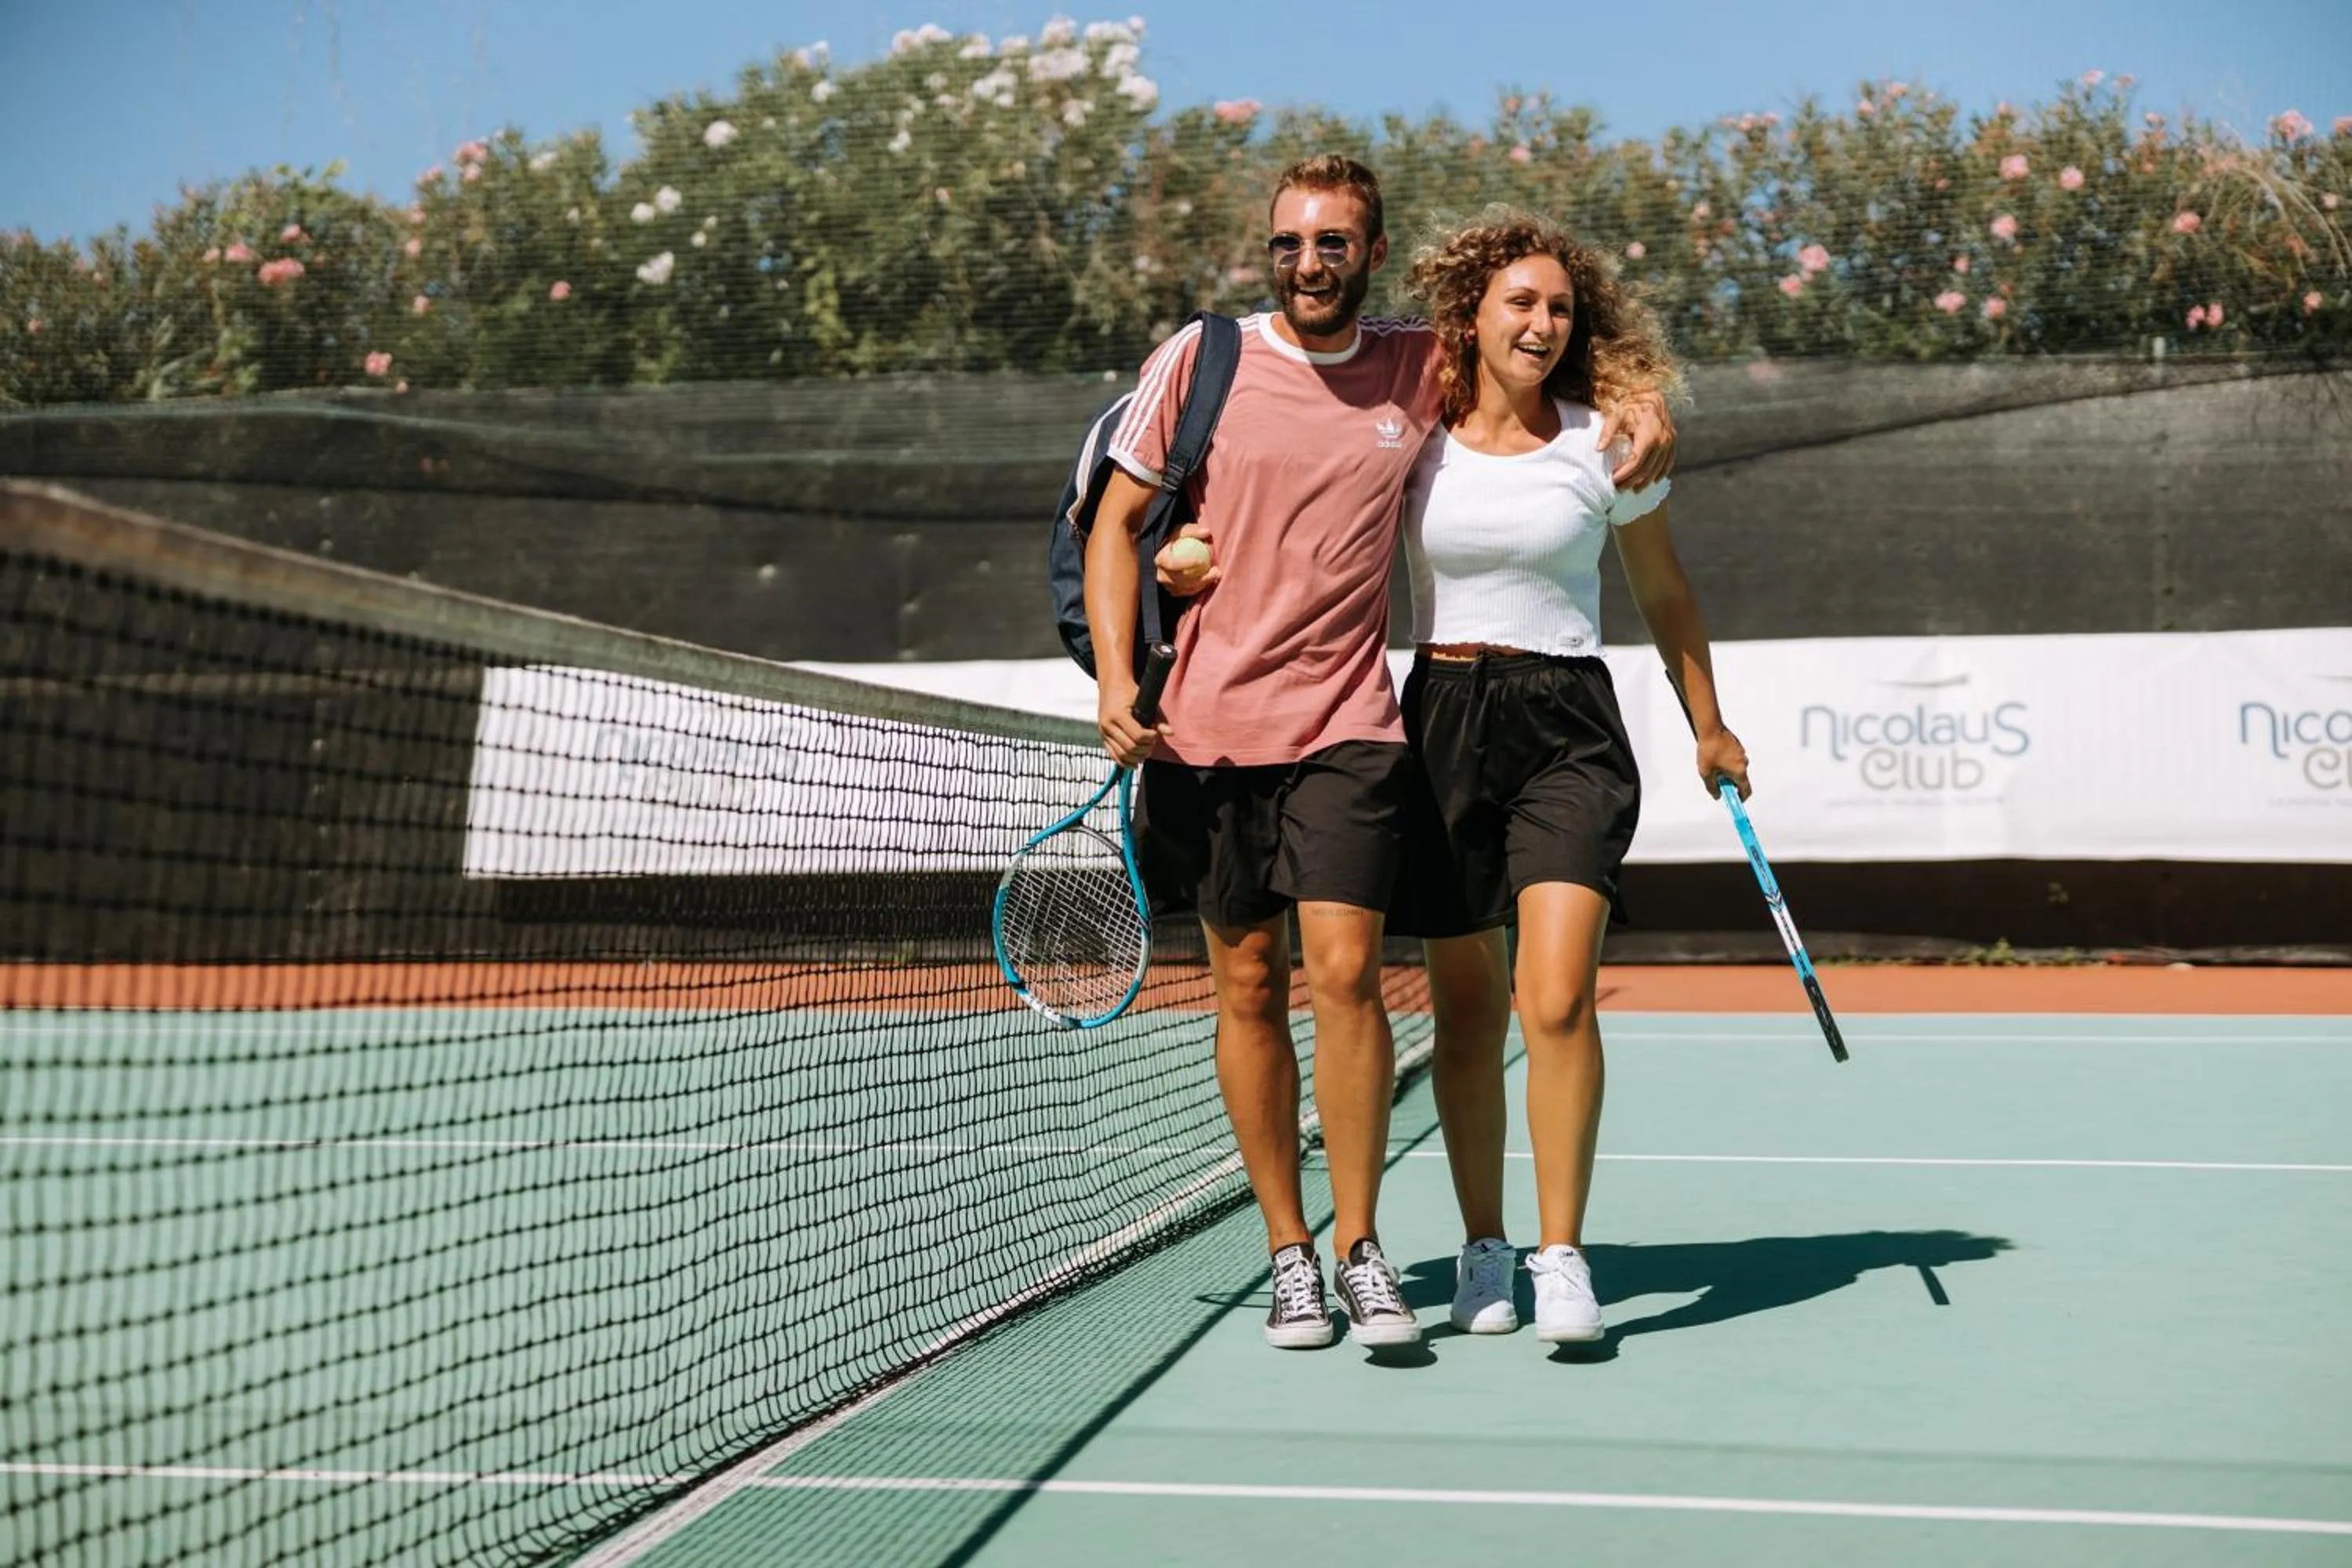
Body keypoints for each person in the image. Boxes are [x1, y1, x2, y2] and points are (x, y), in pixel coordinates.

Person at [1083, 160, 1679, 1350]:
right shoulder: (1199, 364)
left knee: (1348, 975)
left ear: (1371, 251)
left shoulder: (1419, 362)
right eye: (1292, 242)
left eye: (1336, 243)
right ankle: (1288, 1254)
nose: (1311, 262)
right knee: (1249, 990)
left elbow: (1538, 343)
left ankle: (1362, 1250)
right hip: (1203, 732)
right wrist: (1118, 667)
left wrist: (1642, 394)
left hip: (1355, 721)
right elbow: (1117, 523)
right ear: (1271, 251)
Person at [1391, 209, 1746, 1345]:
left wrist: (1712, 724)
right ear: (1471, 316)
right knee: (1463, 1011)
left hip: (1569, 731)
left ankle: (1560, 1256)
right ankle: (1482, 1253)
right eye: (1519, 303)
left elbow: (1666, 592)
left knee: (1554, 998)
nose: (1542, 324)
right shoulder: (1411, 438)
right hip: (1440, 720)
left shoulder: (1611, 444)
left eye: (1559, 307)